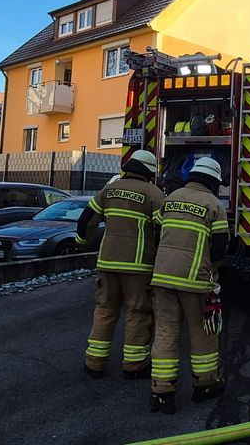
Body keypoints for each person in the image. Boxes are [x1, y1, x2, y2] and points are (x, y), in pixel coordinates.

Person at [149, 157, 229, 414]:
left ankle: (162, 392)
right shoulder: (214, 205)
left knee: (165, 333)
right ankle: (205, 385)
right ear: (215, 181)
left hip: (162, 278)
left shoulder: (170, 198)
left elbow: (157, 228)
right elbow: (219, 249)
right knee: (203, 333)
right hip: (195, 281)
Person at [75, 149, 165, 380]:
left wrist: (81, 242)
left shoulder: (109, 190)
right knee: (138, 311)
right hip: (137, 266)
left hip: (107, 262)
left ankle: (94, 362)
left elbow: (86, 219)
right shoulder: (153, 193)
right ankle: (134, 366)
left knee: (105, 309)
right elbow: (164, 228)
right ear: (149, 172)